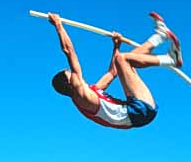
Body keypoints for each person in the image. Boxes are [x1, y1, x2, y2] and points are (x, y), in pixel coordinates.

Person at [48, 11, 183, 129]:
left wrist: (116, 47)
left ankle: (160, 36)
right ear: (69, 84)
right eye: (70, 74)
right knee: (123, 59)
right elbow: (69, 51)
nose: (74, 74)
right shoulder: (80, 95)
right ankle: (171, 59)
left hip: (139, 111)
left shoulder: (92, 92)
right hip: (138, 112)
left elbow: (112, 73)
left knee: (124, 60)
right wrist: (58, 26)